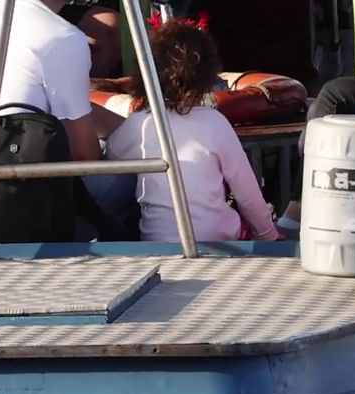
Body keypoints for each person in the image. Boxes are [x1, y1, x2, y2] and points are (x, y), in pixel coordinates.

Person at [0, 0, 133, 226]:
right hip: (15, 212)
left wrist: (130, 126)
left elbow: (71, 113)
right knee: (132, 179)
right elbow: (84, 154)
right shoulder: (61, 36)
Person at [108, 20, 278, 243]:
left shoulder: (139, 123)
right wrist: (269, 235)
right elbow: (247, 194)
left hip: (156, 241)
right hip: (219, 240)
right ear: (207, 73)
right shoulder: (215, 123)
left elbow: (111, 154)